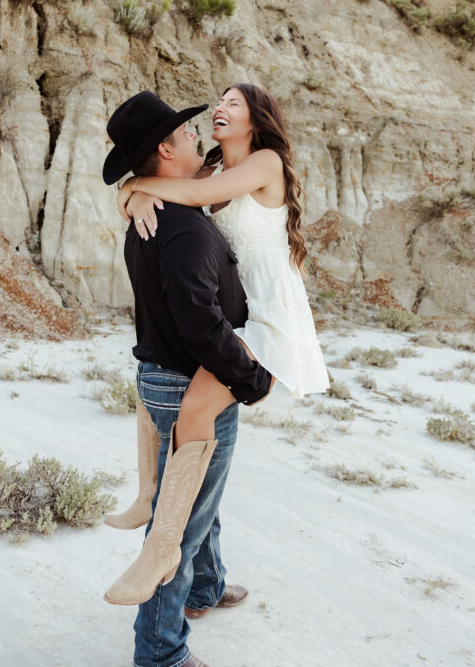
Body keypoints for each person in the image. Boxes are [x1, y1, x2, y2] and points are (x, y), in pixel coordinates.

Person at [108, 84, 329, 595]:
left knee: (192, 409)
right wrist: (134, 192)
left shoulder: (265, 163)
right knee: (166, 386)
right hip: (241, 314)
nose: (220, 110)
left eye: (234, 103)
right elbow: (180, 184)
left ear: (256, 119)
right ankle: (159, 512)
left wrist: (134, 188)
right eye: (221, 102)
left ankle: (162, 545)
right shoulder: (209, 169)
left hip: (272, 312)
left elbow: (187, 195)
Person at [102, 90, 273, 667]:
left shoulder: (155, 213)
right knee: (182, 522)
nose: (196, 136)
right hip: (189, 384)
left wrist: (134, 188)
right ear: (166, 151)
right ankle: (159, 648)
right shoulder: (182, 229)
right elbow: (202, 325)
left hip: (162, 379)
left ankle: (205, 586)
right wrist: (251, 378)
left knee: (200, 498)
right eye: (185, 133)